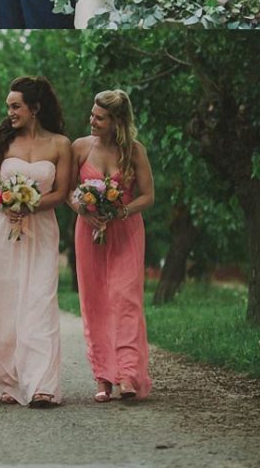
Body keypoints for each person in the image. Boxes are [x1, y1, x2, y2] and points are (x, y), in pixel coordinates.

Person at [0, 76, 73, 407]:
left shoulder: (61, 144)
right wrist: (6, 202)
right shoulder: (1, 142)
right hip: (5, 229)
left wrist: (30, 204)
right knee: (5, 301)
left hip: (42, 229)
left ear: (35, 108)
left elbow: (62, 193)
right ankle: (10, 379)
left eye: (15, 106)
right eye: (8, 106)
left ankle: (42, 383)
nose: (10, 113)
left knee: (39, 299)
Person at [69, 89, 155, 402]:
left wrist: (122, 210)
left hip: (127, 231)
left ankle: (129, 375)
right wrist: (83, 209)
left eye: (99, 118)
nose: (92, 121)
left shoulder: (134, 151)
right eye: (92, 115)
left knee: (126, 299)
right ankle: (104, 377)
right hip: (89, 232)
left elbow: (147, 195)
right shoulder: (78, 148)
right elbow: (67, 191)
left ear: (117, 121)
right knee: (95, 303)